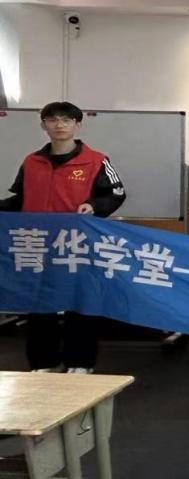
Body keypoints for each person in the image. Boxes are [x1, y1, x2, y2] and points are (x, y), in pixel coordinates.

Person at [0, 101, 126, 374]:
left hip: (77, 245)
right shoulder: (32, 162)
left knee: (79, 302)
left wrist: (93, 206)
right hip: (38, 244)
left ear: (77, 125)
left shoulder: (96, 160)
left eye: (66, 120)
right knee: (39, 302)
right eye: (53, 120)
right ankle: (43, 362)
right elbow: (21, 198)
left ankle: (80, 362)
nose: (59, 125)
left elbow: (116, 193)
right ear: (43, 125)